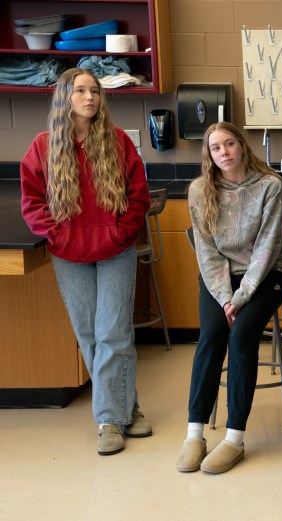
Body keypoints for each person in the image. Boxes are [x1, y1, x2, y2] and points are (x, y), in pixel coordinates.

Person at [20, 67, 152, 456]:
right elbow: (32, 201)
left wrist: (119, 233)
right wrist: (59, 235)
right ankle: (127, 409)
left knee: (114, 333)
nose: (90, 97)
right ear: (65, 97)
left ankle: (109, 421)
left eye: (94, 91)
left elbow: (138, 196)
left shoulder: (117, 142)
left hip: (115, 250)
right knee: (90, 335)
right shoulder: (43, 146)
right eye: (80, 90)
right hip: (69, 254)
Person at [176, 122, 282, 474]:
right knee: (212, 335)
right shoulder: (200, 190)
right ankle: (194, 434)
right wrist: (226, 296)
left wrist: (239, 300)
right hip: (218, 279)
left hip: (266, 275)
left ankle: (234, 439)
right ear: (209, 154)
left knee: (241, 335)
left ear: (242, 145)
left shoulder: (270, 186)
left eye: (229, 144)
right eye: (215, 147)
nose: (223, 152)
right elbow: (207, 252)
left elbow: (267, 248)